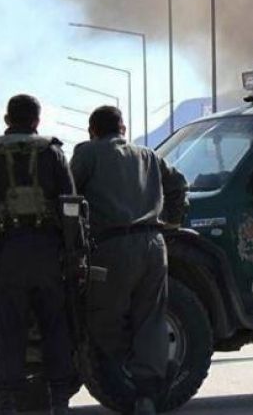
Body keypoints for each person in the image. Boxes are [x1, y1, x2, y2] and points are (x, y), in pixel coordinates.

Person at [0, 95, 75, 415]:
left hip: (8, 252)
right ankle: (60, 401)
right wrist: (74, 252)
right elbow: (71, 205)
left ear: (7, 120)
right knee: (54, 326)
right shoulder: (52, 151)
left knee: (9, 329)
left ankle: (7, 402)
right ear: (37, 121)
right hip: (47, 251)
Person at [71, 105, 187, 415]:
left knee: (102, 317)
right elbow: (178, 184)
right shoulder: (148, 155)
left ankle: (133, 368)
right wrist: (173, 221)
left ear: (92, 131)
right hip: (154, 244)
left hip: (111, 248)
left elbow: (67, 195)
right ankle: (148, 390)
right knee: (150, 317)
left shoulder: (88, 153)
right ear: (123, 129)